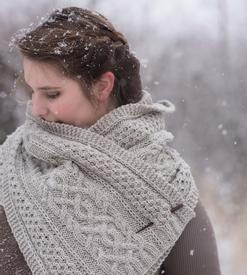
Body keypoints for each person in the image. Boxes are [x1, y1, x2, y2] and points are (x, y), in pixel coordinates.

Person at [0, 6, 221, 275]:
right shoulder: (11, 166)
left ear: (103, 86)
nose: (36, 109)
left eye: (52, 94)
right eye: (32, 92)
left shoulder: (166, 190)